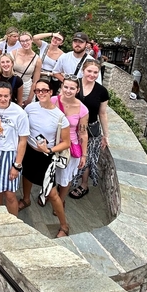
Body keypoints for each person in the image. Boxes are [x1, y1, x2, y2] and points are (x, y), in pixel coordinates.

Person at [21, 78, 71, 238]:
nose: (40, 93)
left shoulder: (60, 117)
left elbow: (66, 143)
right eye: (37, 90)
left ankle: (64, 225)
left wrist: (49, 149)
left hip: (46, 157)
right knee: (27, 176)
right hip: (29, 151)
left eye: (44, 90)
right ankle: (26, 199)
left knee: (52, 193)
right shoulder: (30, 108)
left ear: (51, 92)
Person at [0, 80, 29, 217]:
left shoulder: (19, 113)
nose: (3, 99)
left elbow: (22, 141)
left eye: (6, 96)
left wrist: (17, 165)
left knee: (9, 194)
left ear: (10, 96)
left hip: (9, 155)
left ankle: (14, 221)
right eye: (0, 95)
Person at [70, 60, 110, 200]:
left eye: (95, 72)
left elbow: (102, 113)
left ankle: (84, 184)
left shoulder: (102, 91)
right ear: (83, 70)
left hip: (90, 130)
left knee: (86, 158)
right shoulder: (74, 85)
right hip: (71, 127)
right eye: (89, 71)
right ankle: (67, 180)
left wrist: (106, 135)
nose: (92, 74)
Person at [51, 77, 88, 207]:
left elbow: (83, 132)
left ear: (77, 90)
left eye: (72, 88)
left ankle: (60, 201)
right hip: (52, 143)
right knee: (50, 173)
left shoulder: (82, 109)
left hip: (69, 147)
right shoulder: (52, 101)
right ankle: (48, 194)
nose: (68, 90)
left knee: (65, 178)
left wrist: (84, 155)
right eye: (66, 87)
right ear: (61, 86)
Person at [12, 32, 41, 106]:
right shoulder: (14, 53)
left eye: (27, 40)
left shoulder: (37, 59)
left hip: (26, 88)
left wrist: (30, 98)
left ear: (31, 40)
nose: (25, 43)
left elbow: (35, 81)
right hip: (13, 85)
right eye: (22, 41)